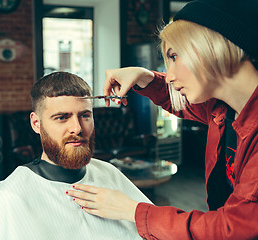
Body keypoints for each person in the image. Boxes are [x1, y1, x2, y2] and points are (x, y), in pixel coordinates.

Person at [67, 0, 258, 239]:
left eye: (175, 56)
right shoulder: (223, 109)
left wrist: (133, 211)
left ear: (215, 45)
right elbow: (179, 103)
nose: (170, 76)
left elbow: (233, 228)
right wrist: (144, 76)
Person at [0, 71, 151, 240]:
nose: (77, 128)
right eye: (62, 118)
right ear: (36, 124)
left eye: (85, 115)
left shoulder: (108, 172)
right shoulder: (13, 198)